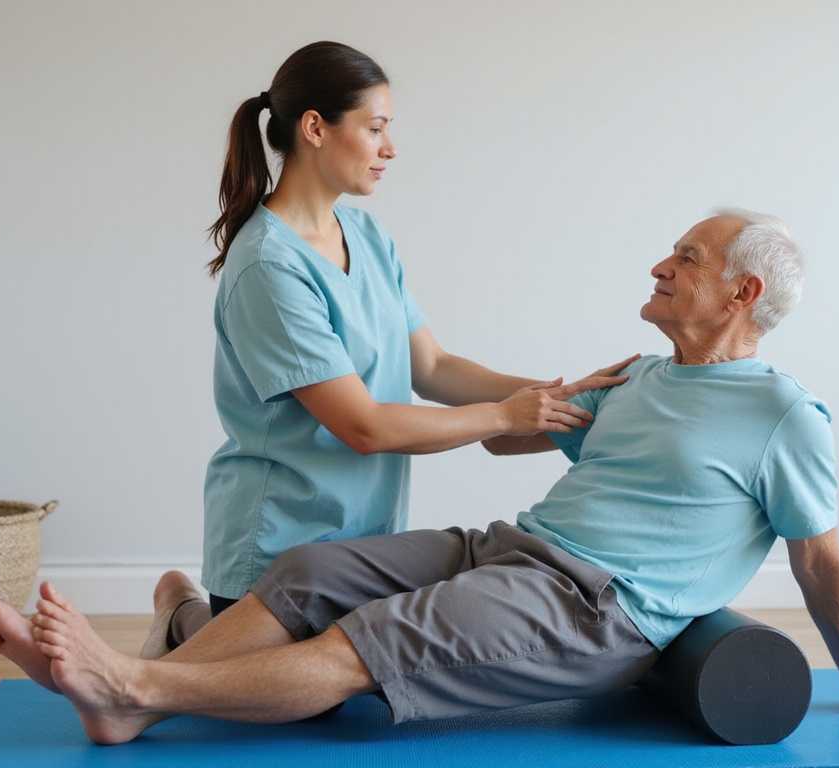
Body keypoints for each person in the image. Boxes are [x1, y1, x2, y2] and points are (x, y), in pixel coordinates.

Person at [0, 209, 839, 744]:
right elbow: (506, 442)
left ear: (742, 293)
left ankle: (135, 683)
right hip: (512, 546)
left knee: (363, 645)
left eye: (689, 255)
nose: (663, 263)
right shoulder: (636, 377)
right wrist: (545, 401)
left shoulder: (782, 414)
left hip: (596, 608)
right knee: (312, 572)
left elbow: (821, 560)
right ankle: (136, 694)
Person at [137, 40, 632, 658]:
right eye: (375, 129)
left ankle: (188, 623)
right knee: (291, 699)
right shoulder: (268, 264)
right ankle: (182, 616)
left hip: (363, 542)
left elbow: (434, 368)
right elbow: (362, 426)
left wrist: (560, 394)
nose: (390, 148)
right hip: (277, 544)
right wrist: (507, 416)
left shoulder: (366, 234)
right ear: (315, 128)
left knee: (339, 683)